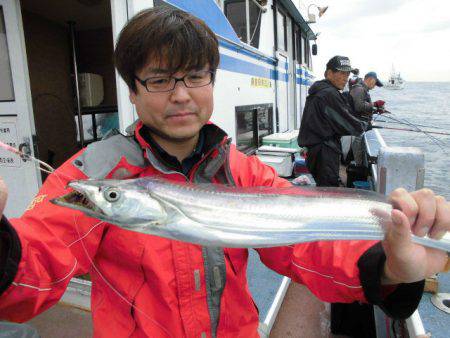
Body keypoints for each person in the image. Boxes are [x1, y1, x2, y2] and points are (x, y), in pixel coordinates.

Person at [0, 8, 449, 338]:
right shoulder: (94, 176)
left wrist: (389, 267)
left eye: (195, 77)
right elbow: (35, 269)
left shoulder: (243, 171)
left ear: (212, 83)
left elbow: (311, 247)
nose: (181, 95)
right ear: (133, 93)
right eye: (159, 80)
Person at [298, 55, 366, 187]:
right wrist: (364, 126)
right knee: (328, 190)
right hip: (324, 152)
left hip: (316, 151)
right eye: (342, 73)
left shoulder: (320, 91)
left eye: (347, 74)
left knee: (324, 187)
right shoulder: (329, 94)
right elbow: (346, 123)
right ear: (329, 73)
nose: (346, 78)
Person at [348, 71, 385, 166]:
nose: (374, 86)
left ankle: (358, 166)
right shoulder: (359, 89)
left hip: (359, 125)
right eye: (375, 83)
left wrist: (376, 109)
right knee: (357, 152)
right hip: (357, 127)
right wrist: (375, 104)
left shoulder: (362, 89)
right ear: (371, 80)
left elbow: (362, 107)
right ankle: (358, 167)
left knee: (358, 150)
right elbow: (358, 106)